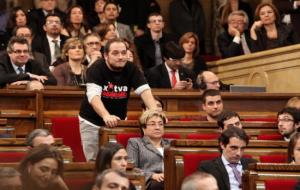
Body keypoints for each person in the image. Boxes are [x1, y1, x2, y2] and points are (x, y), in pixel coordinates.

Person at [79, 38, 157, 161]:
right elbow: (93, 97)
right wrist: (105, 115)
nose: (120, 57)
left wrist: (155, 113)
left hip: (119, 121)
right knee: (94, 162)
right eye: (115, 53)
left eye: (123, 53)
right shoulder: (96, 68)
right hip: (92, 122)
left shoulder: (131, 68)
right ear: (105, 55)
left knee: (121, 161)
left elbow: (145, 91)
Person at [127, 110, 169, 190]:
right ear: (143, 128)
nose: (157, 127)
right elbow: (131, 168)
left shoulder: (170, 143)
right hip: (149, 182)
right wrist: (152, 175)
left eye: (160, 124)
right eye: (152, 124)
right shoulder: (135, 143)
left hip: (170, 178)